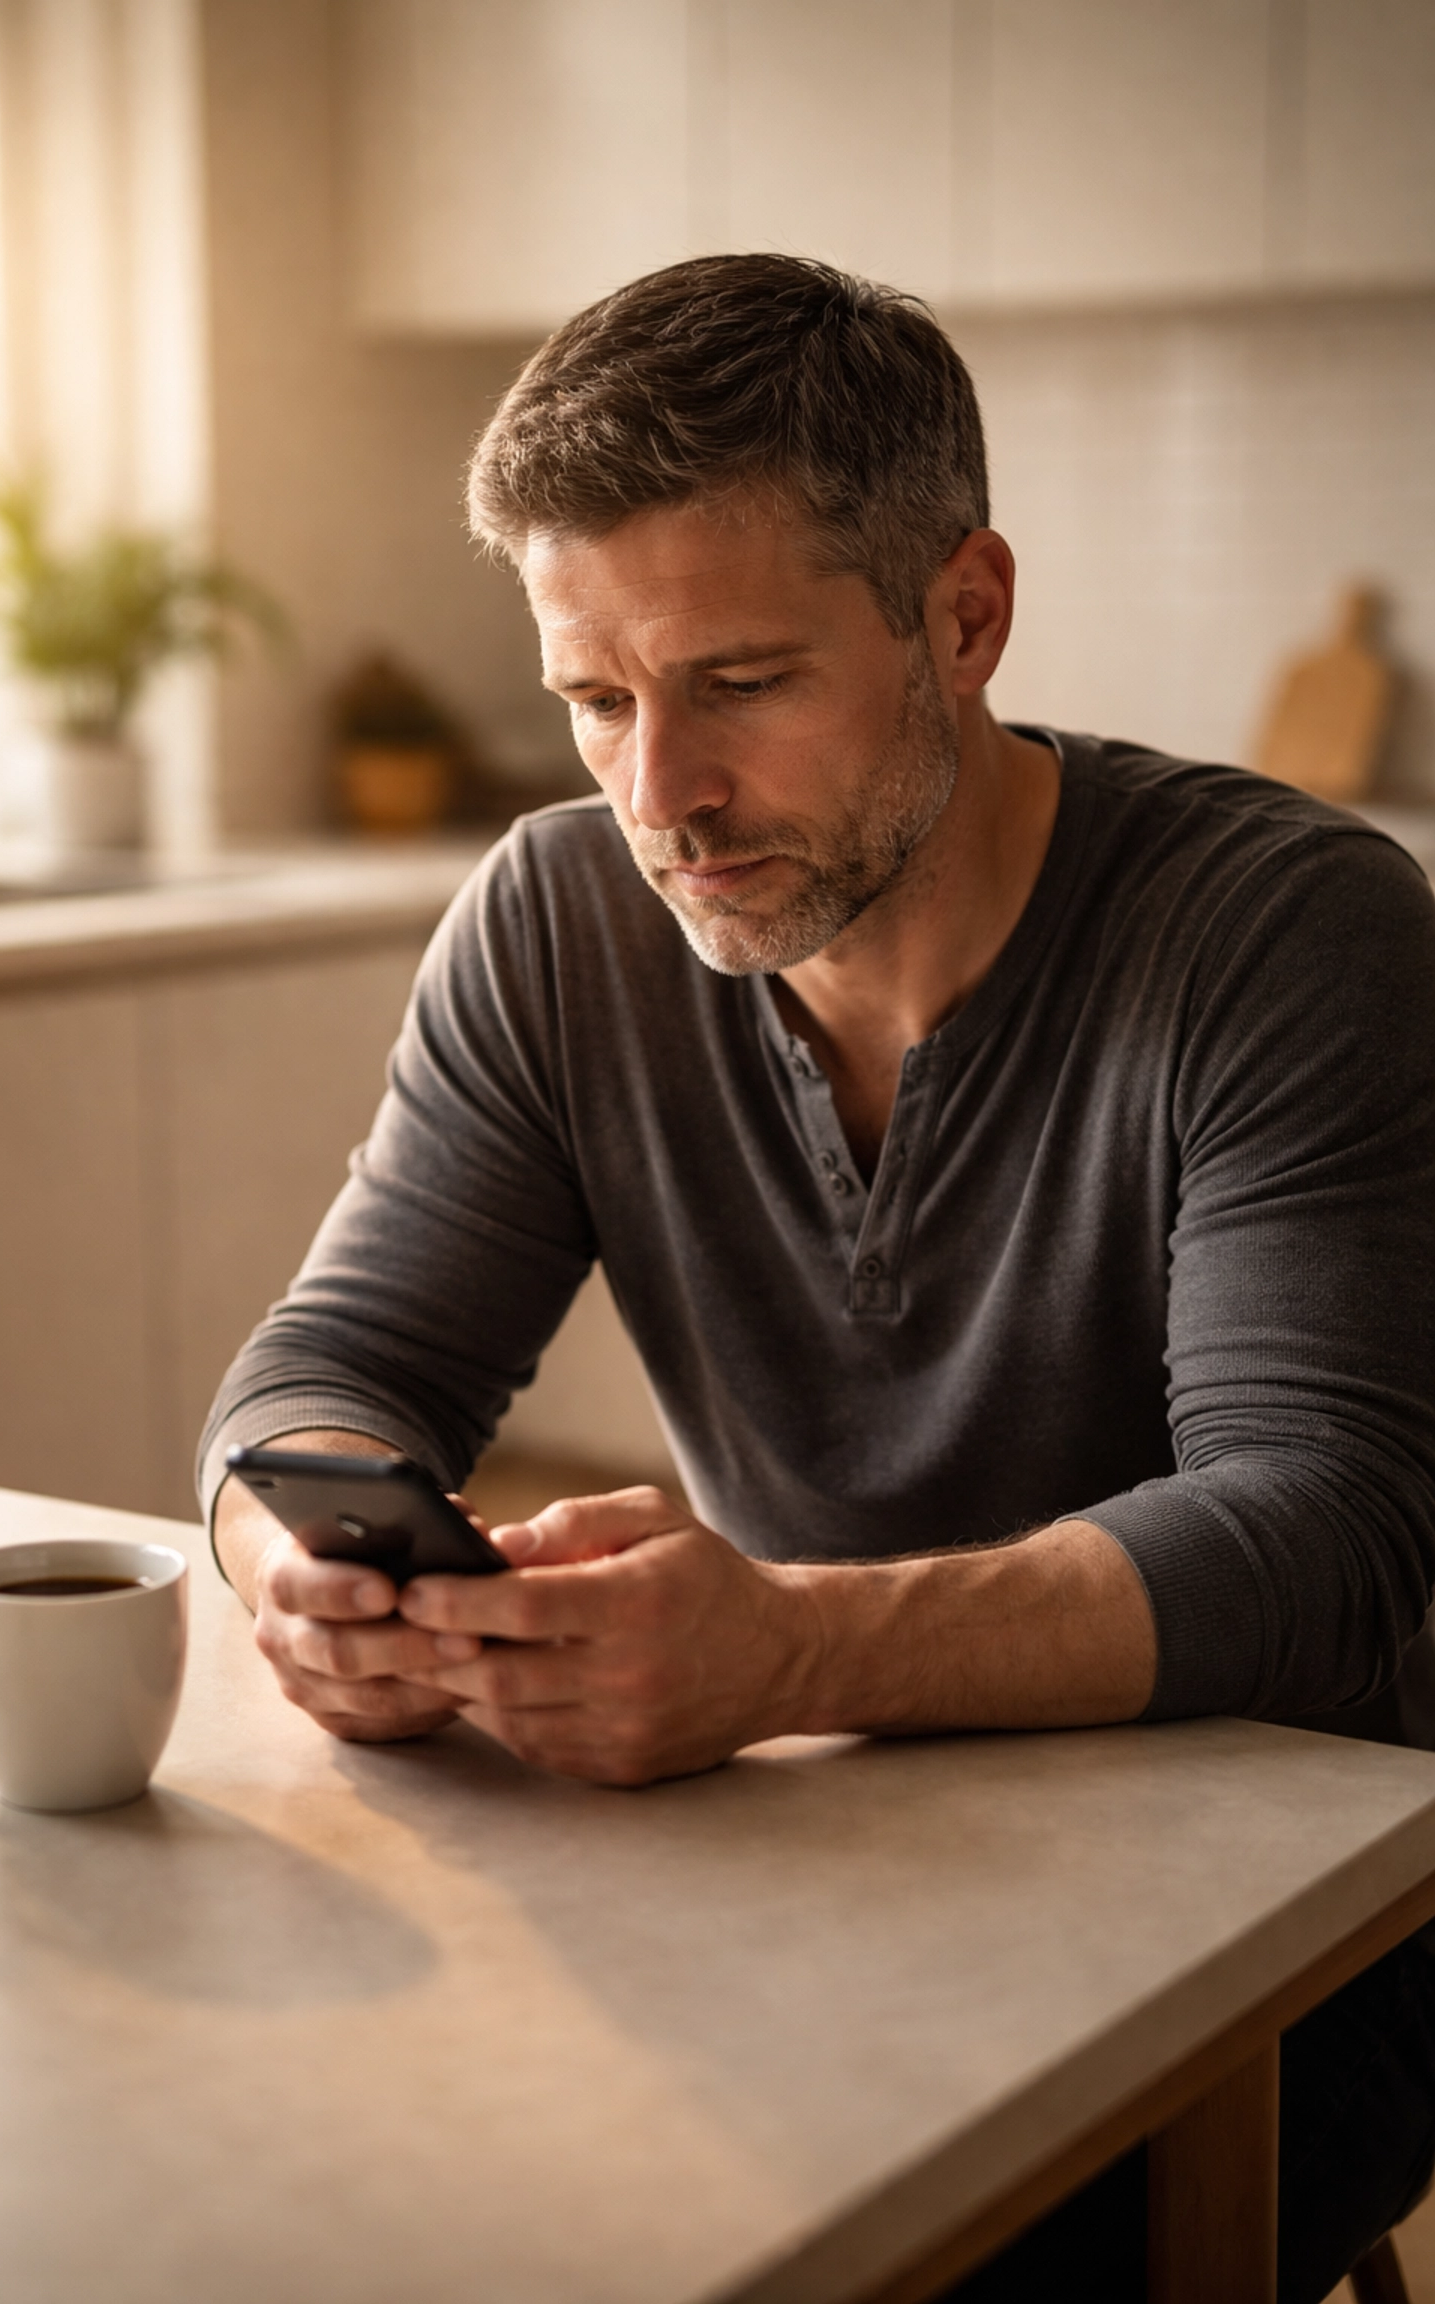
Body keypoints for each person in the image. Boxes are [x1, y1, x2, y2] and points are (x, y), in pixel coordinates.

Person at [202, 255, 1435, 2299]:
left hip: (1284, 1946)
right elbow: (336, 1363)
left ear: (964, 618)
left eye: (740, 684)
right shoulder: (556, 921)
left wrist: (784, 1653)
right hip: (807, 1852)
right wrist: (310, 1569)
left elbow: (1324, 1540)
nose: (657, 796)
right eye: (595, 698)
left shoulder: (1289, 932)